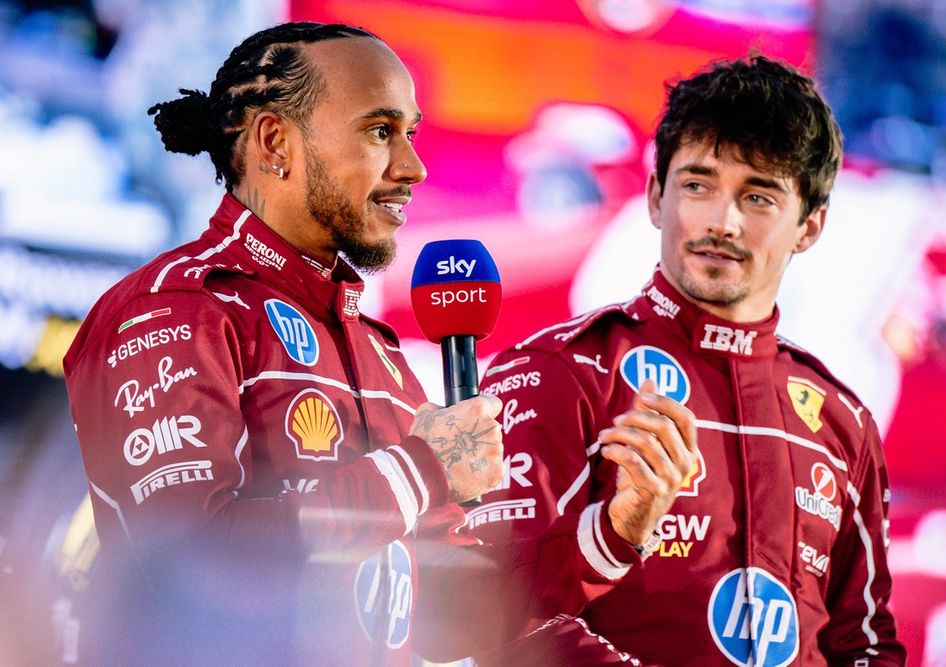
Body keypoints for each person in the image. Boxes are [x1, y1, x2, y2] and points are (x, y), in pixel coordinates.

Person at [62, 22, 691, 665]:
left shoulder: (377, 351)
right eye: (379, 131)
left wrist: (610, 532)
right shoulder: (175, 310)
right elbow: (193, 565)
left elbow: (450, 614)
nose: (412, 167)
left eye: (410, 133)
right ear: (276, 142)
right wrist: (422, 467)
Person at [465, 55, 907, 666]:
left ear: (809, 227)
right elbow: (487, 616)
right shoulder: (559, 372)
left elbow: (865, 645)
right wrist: (612, 533)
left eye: (758, 197)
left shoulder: (843, 422)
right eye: (698, 186)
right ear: (655, 197)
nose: (722, 223)